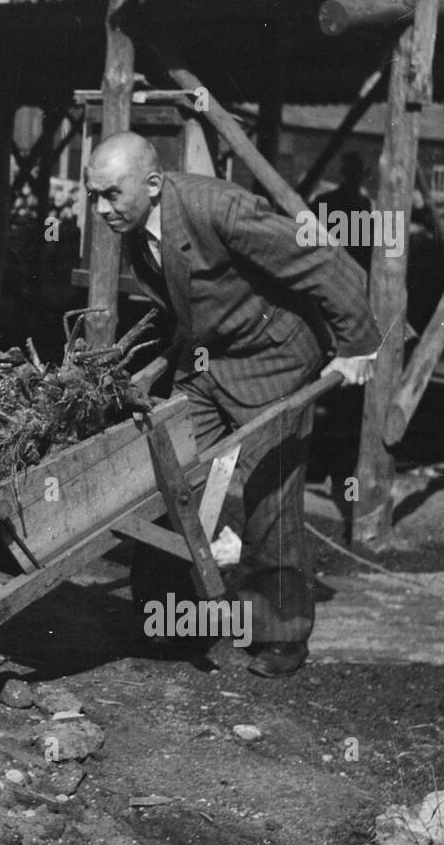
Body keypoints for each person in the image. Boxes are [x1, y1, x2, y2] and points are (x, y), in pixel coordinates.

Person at [84, 133, 380, 677]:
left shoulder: (216, 206)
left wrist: (358, 344)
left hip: (275, 358)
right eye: (93, 197)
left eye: (110, 194)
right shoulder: (134, 223)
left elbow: (323, 259)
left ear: (152, 184)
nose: (101, 209)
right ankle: (171, 617)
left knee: (271, 496)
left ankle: (282, 633)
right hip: (208, 363)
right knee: (163, 474)